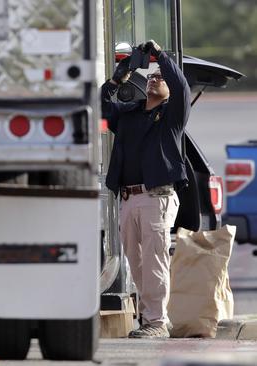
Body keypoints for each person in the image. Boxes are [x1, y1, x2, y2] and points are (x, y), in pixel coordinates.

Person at [101, 40, 191, 338]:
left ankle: (157, 321)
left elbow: (181, 88)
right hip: (128, 197)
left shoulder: (171, 117)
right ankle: (149, 316)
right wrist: (119, 76)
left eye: (159, 77)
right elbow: (102, 105)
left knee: (154, 259)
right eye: (151, 75)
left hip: (157, 196)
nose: (154, 78)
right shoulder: (130, 114)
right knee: (136, 261)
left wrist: (160, 56)